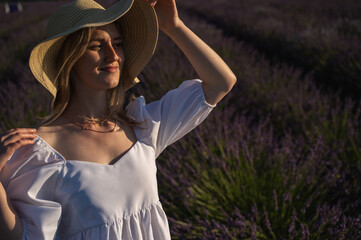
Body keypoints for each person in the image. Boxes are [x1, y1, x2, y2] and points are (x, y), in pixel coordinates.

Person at [0, 0, 236, 239]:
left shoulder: (141, 126)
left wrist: (174, 26)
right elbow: (23, 236)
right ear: (69, 58)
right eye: (97, 46)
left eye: (118, 44)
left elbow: (220, 83)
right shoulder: (39, 153)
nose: (113, 55)